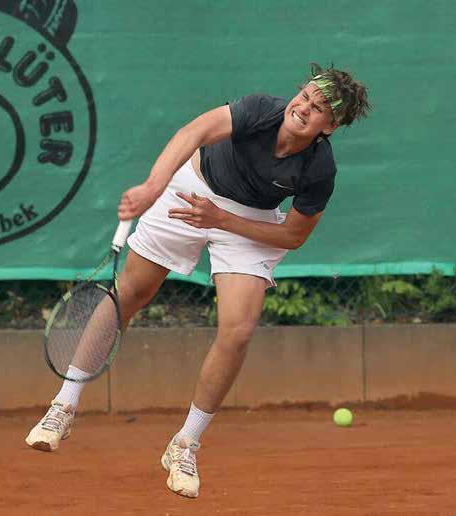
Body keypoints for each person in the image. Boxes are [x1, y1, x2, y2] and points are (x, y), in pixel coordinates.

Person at [25, 63, 371, 498]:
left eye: (318, 108)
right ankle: (64, 405)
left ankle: (185, 444)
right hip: (192, 187)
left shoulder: (319, 169)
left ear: (330, 126)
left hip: (248, 220)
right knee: (129, 294)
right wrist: (153, 187)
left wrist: (222, 220)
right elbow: (193, 132)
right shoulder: (261, 109)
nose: (303, 107)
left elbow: (293, 236)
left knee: (238, 331)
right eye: (304, 96)